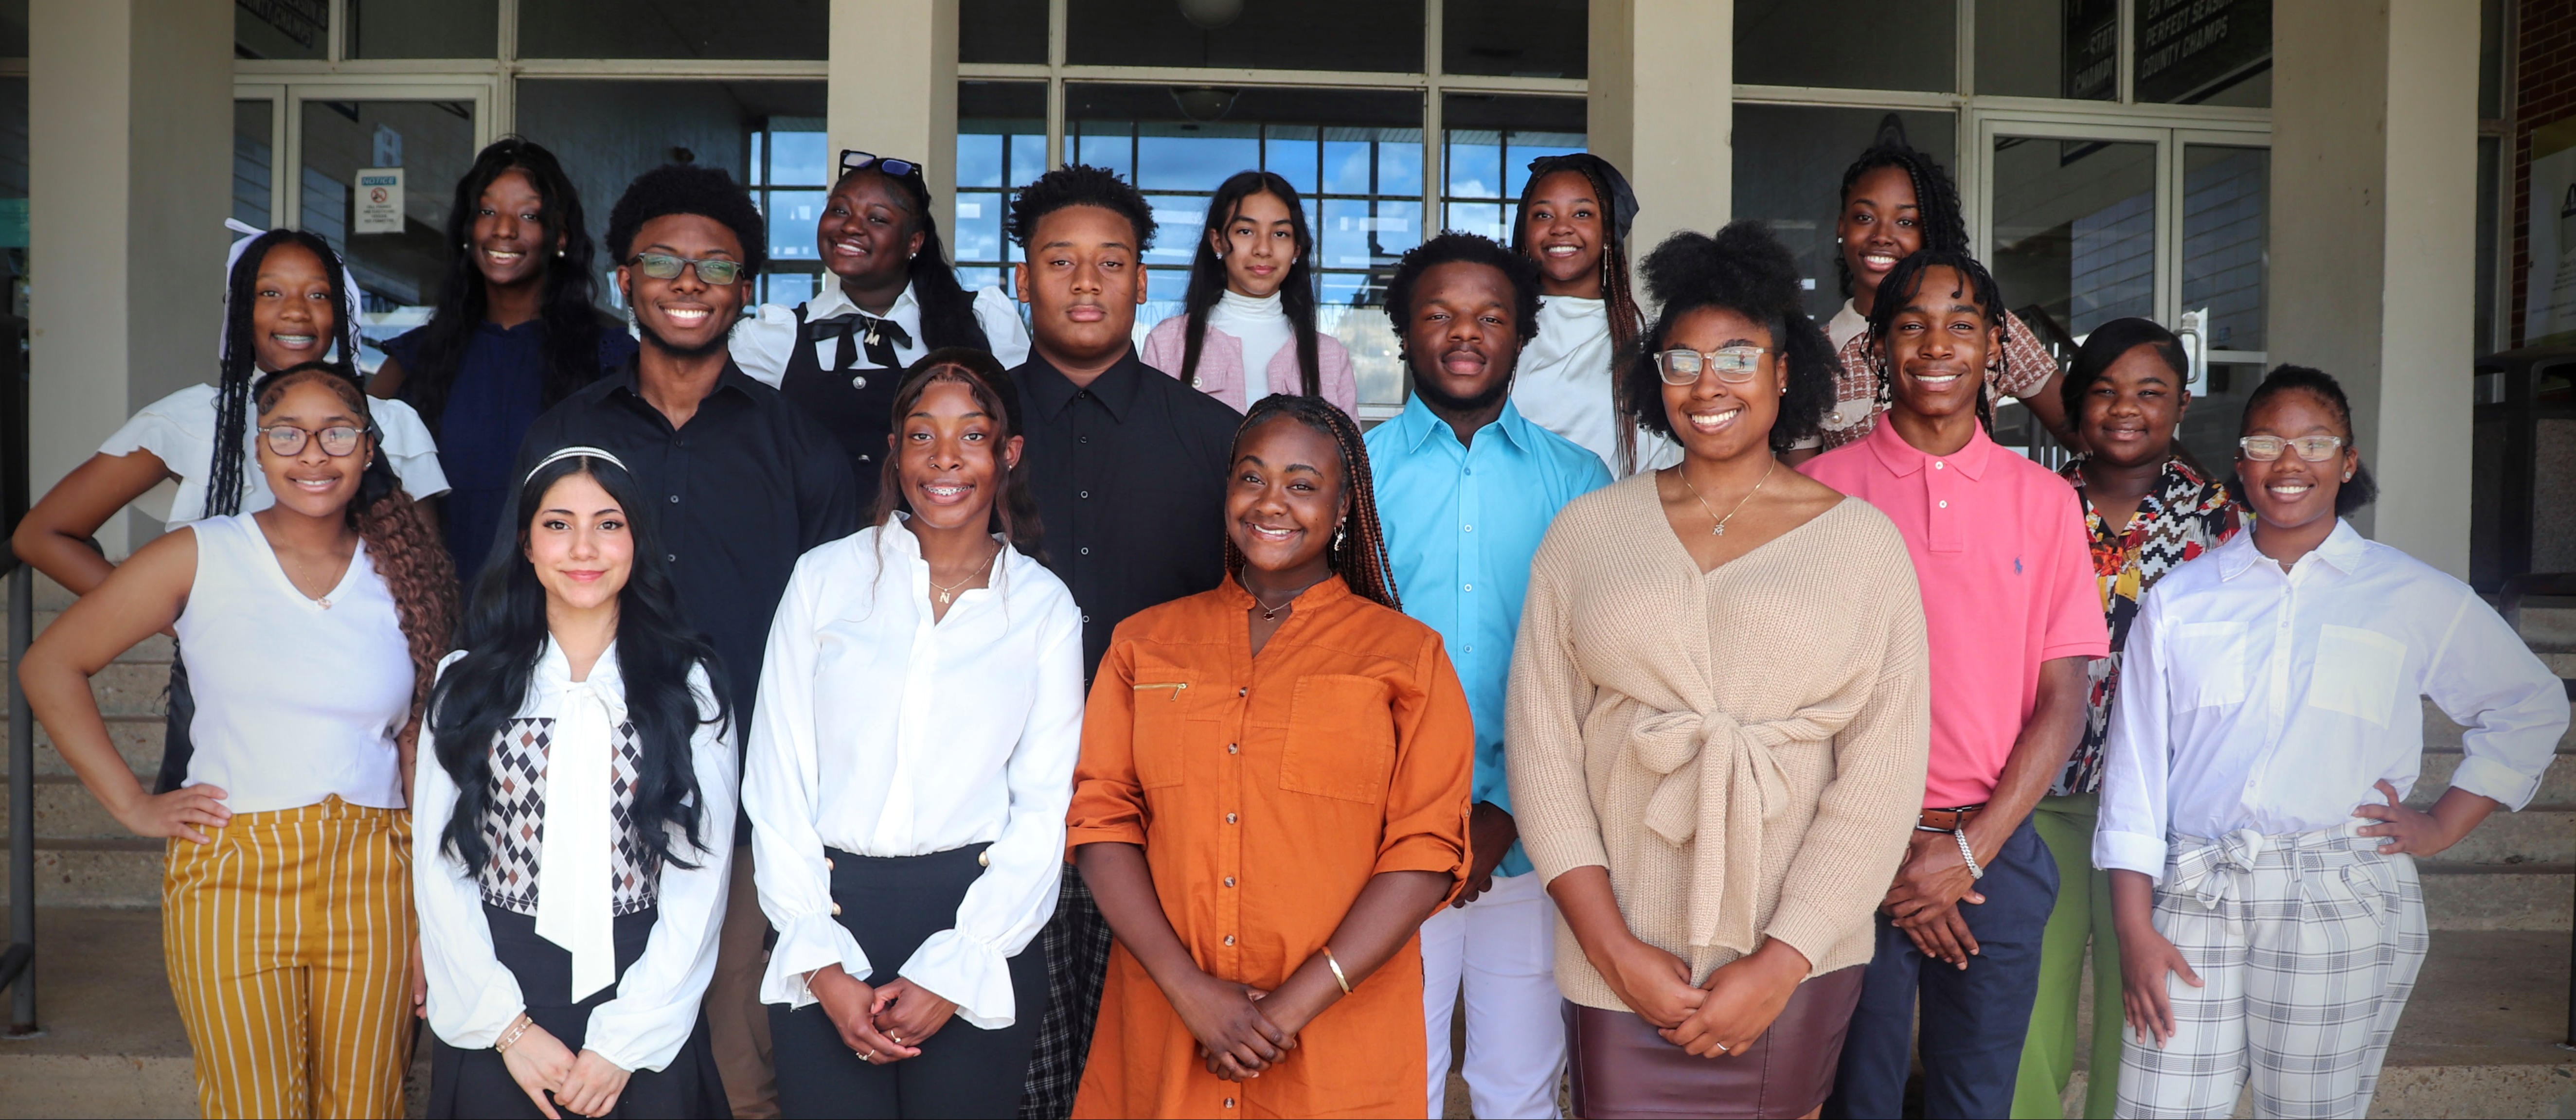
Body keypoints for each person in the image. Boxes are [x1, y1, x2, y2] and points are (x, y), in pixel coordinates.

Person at [1504, 222, 1931, 1120]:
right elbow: (1541, 748)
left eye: (1738, 356)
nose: (1708, 385)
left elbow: (1882, 776)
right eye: (1681, 360)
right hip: (1615, 954)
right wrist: (1612, 947)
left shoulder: (1861, 544)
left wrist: (1782, 958)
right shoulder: (1586, 533)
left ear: (1786, 370)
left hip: (1794, 956)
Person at [2097, 367, 2568, 1120]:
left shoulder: (2409, 592)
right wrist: (2132, 927)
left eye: (2315, 443)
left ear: (2347, 462)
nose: (2290, 463)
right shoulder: (2183, 600)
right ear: (2241, 464)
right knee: (2159, 1106)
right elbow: (2136, 775)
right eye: (2266, 443)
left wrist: (2445, 820)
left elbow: (2529, 703)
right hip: (2198, 893)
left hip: (2337, 894)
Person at [513, 162, 864, 1120]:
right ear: (624, 277)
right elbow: (510, 610)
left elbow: (846, 643)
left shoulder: (799, 447)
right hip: (580, 794)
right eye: (663, 258)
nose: (688, 279)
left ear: (745, 289)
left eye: (715, 263)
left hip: (746, 810)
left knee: (738, 1063)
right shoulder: (565, 431)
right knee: (588, 1046)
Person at [21, 361, 458, 1118]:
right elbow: (51, 663)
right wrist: (133, 803)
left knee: (369, 1104)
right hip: (235, 866)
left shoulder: (405, 569)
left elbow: (419, 745)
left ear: (367, 446)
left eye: (336, 433)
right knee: (254, 1105)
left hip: (377, 873)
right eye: (287, 433)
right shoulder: (201, 552)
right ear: (258, 451)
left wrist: (433, 910)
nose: (313, 453)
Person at [1066, 392, 1474, 1118]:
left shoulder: (1406, 657)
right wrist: (1191, 990)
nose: (1272, 502)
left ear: (1344, 505)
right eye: (1251, 477)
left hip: (1335, 1044)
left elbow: (1427, 851)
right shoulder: (1143, 644)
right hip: (1166, 1026)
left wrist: (1284, 1010)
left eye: (1303, 483)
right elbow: (1101, 822)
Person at [1800, 249, 2107, 1120]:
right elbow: (1801, 704)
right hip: (1851, 855)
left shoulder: (2046, 500)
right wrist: (1902, 858)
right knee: (1854, 1099)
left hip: (1997, 852)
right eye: (1911, 324)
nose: (1937, 344)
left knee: (1976, 1101)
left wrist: (1963, 854)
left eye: (1962, 324)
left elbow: (2062, 701)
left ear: (1997, 347)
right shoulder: (1818, 494)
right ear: (1876, 349)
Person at [743, 350, 1083, 1118]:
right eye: (922, 434)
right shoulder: (824, 580)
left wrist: (956, 968)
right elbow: (777, 780)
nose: (945, 459)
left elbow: (1042, 808)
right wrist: (822, 965)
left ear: (1008, 454)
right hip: (826, 912)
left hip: (976, 918)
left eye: (972, 435)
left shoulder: (1042, 609)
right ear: (894, 449)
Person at [10, 225, 448, 796]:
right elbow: (42, 534)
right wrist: (170, 613)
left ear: (343, 311)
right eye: (271, 293)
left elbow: (426, 583)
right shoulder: (196, 417)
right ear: (239, 309)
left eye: (318, 294)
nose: (296, 311)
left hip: (369, 693)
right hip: (223, 692)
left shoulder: (390, 423)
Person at [1003, 164, 1245, 1120]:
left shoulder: (1218, 438)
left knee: (1155, 1068)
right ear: (1022, 277)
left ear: (1144, 281)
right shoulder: (966, 435)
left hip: (1169, 809)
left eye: (1112, 261)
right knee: (1018, 1069)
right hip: (997, 801)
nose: (1086, 281)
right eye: (1060, 260)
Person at [1360, 231, 1609, 1120]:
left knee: (1520, 1085)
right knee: (1392, 1086)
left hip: (1534, 838)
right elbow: (1336, 665)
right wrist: (1426, 818)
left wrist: (1503, 807)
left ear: (1520, 333)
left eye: (1489, 316)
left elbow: (1595, 669)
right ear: (1403, 332)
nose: (1464, 334)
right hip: (1382, 841)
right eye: (1438, 314)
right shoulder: (1353, 474)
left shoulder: (1582, 482)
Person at [415, 447, 734, 1119]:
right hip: (502, 983)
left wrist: (627, 1038)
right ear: (526, 544)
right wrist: (507, 1026)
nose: (583, 546)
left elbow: (702, 875)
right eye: (558, 524)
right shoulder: (467, 682)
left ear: (637, 542)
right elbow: (439, 868)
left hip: (646, 986)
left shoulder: (685, 683)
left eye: (608, 523)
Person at [2009, 319, 2237, 1120]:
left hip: (2162, 810)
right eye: (2103, 389)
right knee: (2024, 1004)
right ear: (2074, 403)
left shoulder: (2219, 520)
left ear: (2180, 404)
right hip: (2038, 796)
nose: (2125, 408)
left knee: (2140, 1015)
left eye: (2150, 391)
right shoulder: (2032, 503)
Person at [371, 138, 638, 583]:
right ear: (467, 230)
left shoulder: (607, 356)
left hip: (565, 610)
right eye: (488, 212)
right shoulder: (416, 359)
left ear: (561, 236)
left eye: (529, 216)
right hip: (441, 610)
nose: (504, 230)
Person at [734, 150, 1032, 509]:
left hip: (945, 552)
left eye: (877, 218)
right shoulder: (777, 335)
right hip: (817, 555)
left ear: (914, 243)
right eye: (840, 211)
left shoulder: (982, 317)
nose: (851, 226)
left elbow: (1023, 438)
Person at [1784, 139, 2075, 463]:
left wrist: (2054, 502)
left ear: (1929, 231)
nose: (1882, 235)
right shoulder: (1813, 355)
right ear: (1842, 225)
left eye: (1906, 222)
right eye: (1865, 217)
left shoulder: (1986, 327)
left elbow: (2085, 434)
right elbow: (1800, 487)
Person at [1139, 170, 1358, 417]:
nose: (1263, 249)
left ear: (1297, 249)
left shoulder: (1329, 357)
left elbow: (1349, 456)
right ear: (1218, 241)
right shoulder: (1168, 343)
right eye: (1246, 231)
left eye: (1280, 234)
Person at [1507, 152, 1675, 475]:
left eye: (1582, 213)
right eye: (1543, 215)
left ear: (1609, 231)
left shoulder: (1639, 336)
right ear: (1524, 231)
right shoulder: (1499, 328)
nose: (1561, 228)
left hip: (1611, 520)